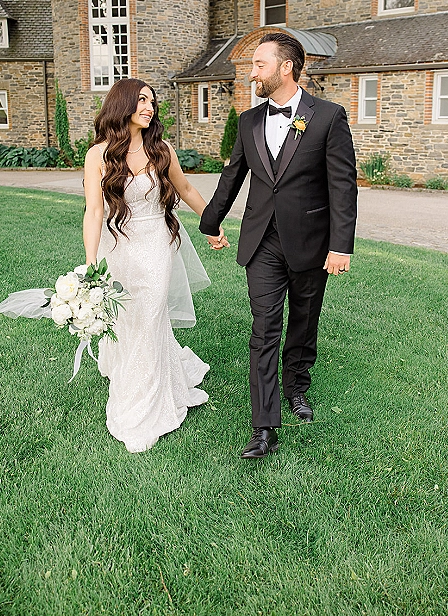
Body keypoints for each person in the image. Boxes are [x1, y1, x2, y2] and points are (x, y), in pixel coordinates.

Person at [200, 32, 357, 459]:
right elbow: (232, 177)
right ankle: (264, 426)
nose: (252, 73)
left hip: (310, 241)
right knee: (264, 328)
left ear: (286, 68)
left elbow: (342, 188)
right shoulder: (249, 121)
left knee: (304, 322)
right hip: (261, 242)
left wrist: (341, 246)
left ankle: (297, 387)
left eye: (259, 65)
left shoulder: (327, 117)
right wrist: (209, 221)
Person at [84, 78, 221, 454]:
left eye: (152, 102)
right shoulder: (98, 154)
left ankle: (141, 408)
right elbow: (94, 211)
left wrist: (212, 224)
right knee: (130, 320)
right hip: (119, 248)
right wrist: (91, 261)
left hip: (157, 244)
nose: (150, 107)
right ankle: (139, 373)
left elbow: (188, 190)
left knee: (150, 315)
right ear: (122, 105)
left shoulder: (161, 149)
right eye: (142, 100)